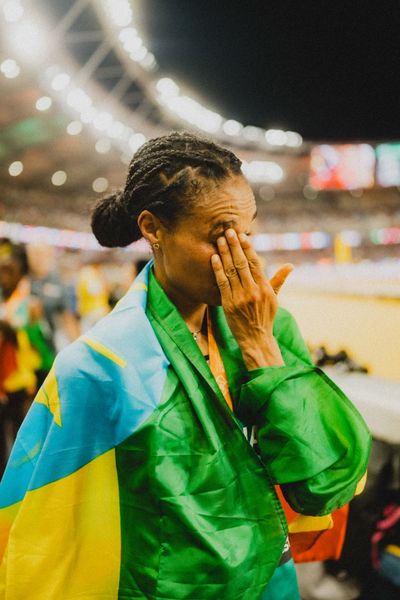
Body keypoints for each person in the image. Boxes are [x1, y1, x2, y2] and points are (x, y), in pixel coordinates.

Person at [0, 132, 370, 599]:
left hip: (271, 583)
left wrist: (260, 346)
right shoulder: (99, 368)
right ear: (153, 229)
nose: (244, 257)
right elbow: (44, 542)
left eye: (249, 234)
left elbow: (325, 484)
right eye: (221, 236)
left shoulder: (269, 329)